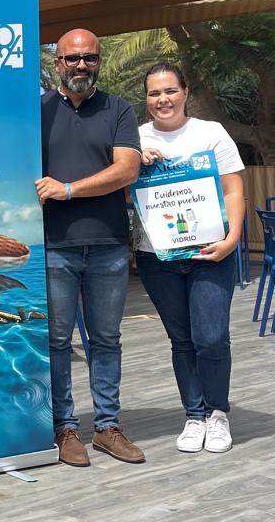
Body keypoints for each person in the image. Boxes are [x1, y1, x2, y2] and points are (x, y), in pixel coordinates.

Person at [37, 29, 144, 468]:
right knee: (57, 342)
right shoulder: (36, 111)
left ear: (98, 62)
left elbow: (126, 170)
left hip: (109, 245)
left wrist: (67, 189)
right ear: (57, 63)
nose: (81, 66)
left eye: (90, 59)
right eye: (72, 59)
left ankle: (107, 427)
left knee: (106, 339)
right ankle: (65, 427)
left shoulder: (119, 109)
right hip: (53, 246)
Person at [136, 62, 245, 454]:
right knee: (181, 340)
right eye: (154, 93)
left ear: (185, 91)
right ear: (145, 99)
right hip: (156, 257)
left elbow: (233, 190)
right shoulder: (134, 139)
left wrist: (232, 239)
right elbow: (122, 192)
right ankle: (194, 415)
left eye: (169, 91)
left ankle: (218, 413)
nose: (162, 100)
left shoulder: (210, 133)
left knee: (211, 337)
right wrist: (136, 162)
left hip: (212, 252)